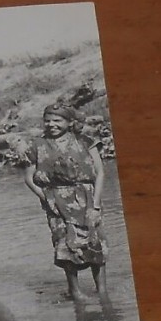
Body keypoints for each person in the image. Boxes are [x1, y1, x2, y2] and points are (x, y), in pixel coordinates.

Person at [22, 103, 107, 300]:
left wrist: (95, 204)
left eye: (57, 120)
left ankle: (102, 291)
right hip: (56, 200)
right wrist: (47, 199)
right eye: (48, 120)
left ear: (69, 122)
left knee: (96, 242)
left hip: (87, 197)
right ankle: (75, 291)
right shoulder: (36, 145)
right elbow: (28, 178)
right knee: (64, 243)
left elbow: (100, 173)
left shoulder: (85, 141)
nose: (51, 124)